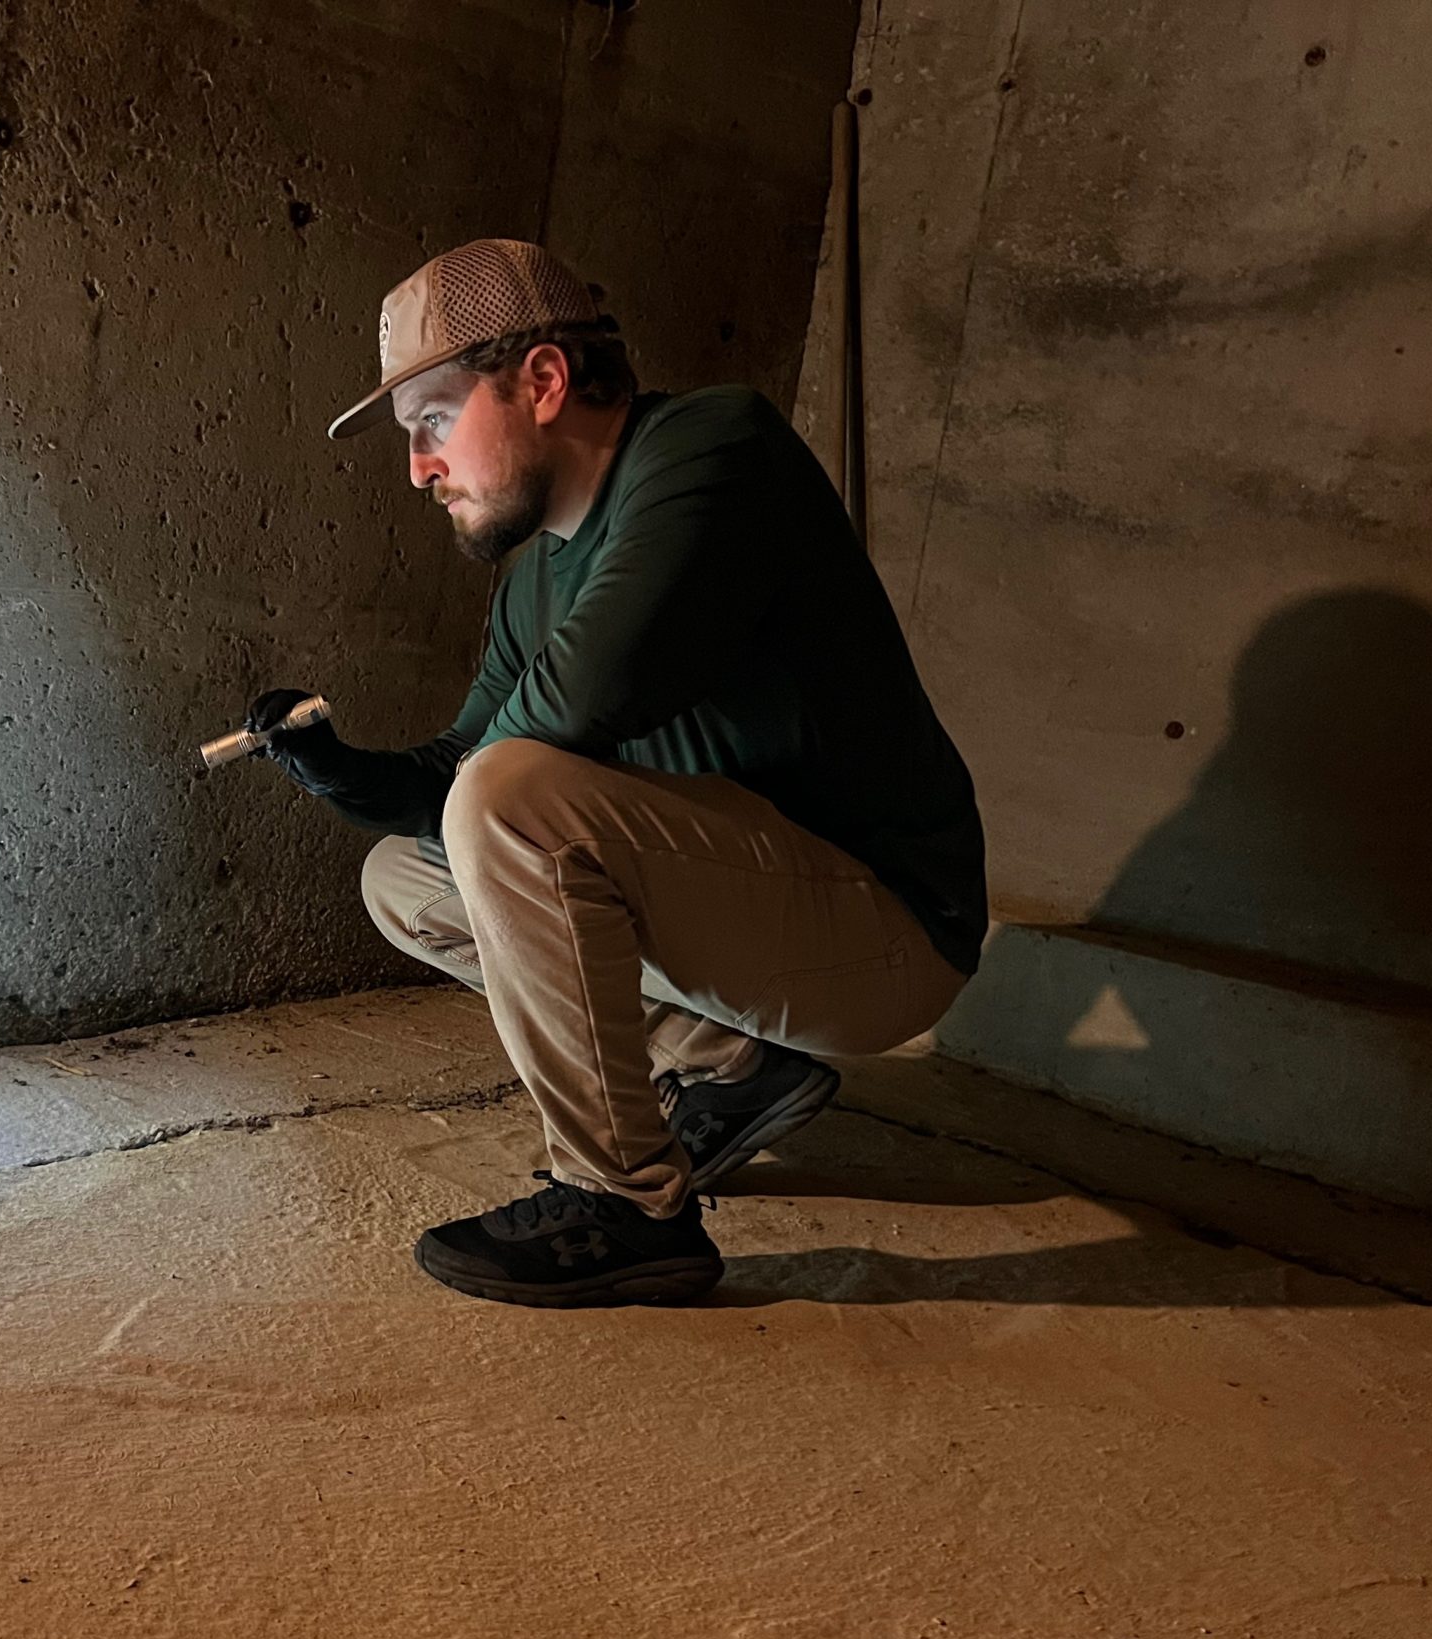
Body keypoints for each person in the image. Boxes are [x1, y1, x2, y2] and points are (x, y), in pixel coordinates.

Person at [244, 238, 987, 1308]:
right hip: (752, 912)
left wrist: (460, 781)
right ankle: (731, 1067)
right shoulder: (533, 577)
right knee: (402, 879)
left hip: (884, 930)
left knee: (505, 805)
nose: (418, 468)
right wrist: (339, 773)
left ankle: (627, 1206)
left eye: (433, 422)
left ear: (542, 381)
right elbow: (460, 770)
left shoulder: (714, 450)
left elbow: (564, 717)